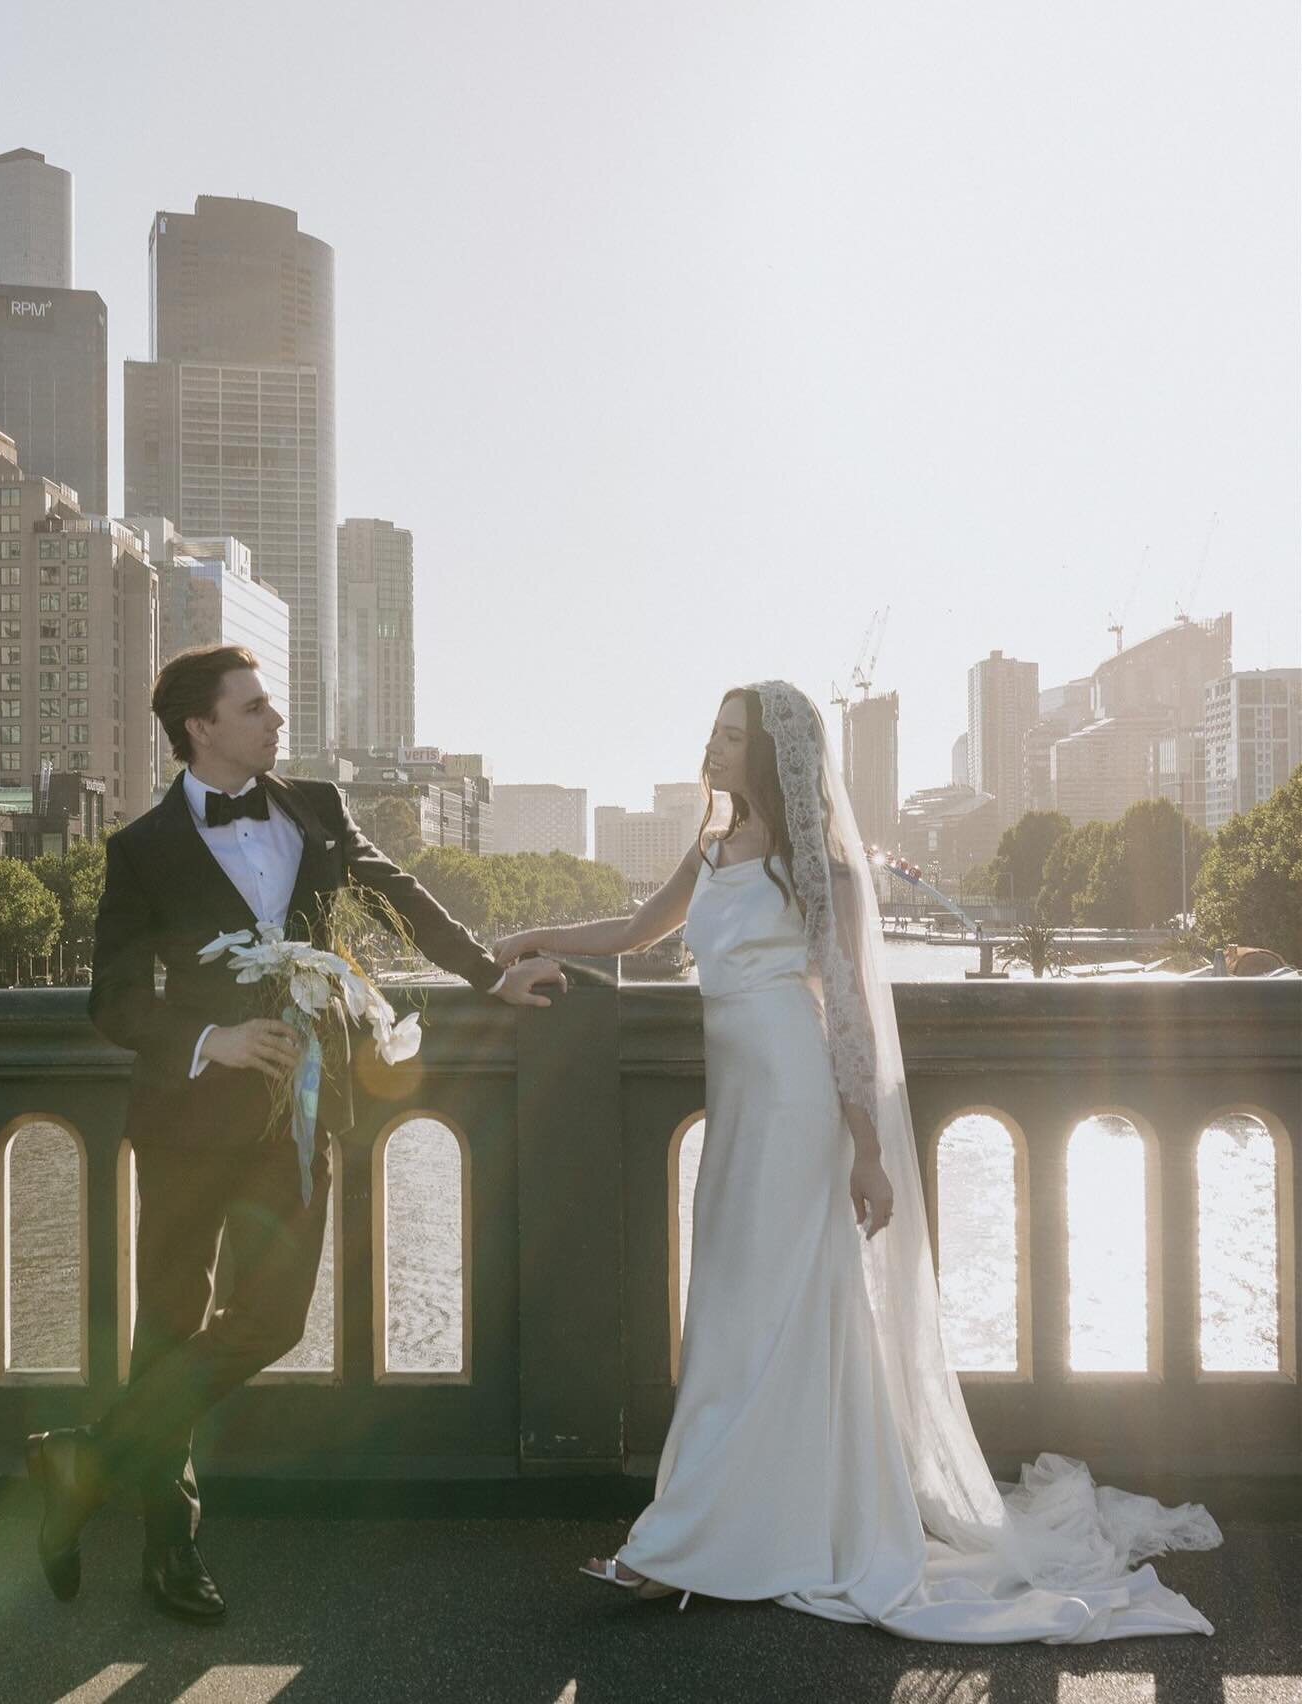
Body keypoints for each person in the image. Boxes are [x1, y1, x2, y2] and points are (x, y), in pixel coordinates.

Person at [493, 681, 1221, 1642]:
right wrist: (530, 936)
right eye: (712, 731)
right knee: (732, 1306)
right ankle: (747, 1526)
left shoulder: (822, 871)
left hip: (798, 1105)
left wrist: (869, 1151)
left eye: (730, 736)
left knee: (768, 1309)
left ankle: (676, 1547)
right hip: (741, 1108)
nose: (711, 748)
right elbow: (634, 932)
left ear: (771, 755)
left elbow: (844, 1019)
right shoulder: (708, 847)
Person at [26, 643, 564, 1622]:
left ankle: (86, 1461)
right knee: (169, 1333)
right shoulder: (138, 848)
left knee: (271, 1319)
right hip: (188, 1118)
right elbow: (110, 998)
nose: (277, 722)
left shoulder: (316, 805)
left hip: (304, 1109)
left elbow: (401, 895)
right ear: (203, 727)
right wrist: (209, 1038)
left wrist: (489, 973)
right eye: (257, 707)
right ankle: (169, 1549)